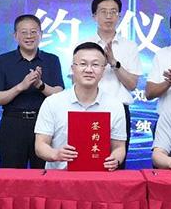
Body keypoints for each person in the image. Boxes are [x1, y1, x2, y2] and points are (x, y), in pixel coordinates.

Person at [34, 42, 126, 170]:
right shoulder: (53, 102)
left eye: (95, 65)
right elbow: (40, 145)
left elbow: (119, 147)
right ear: (73, 68)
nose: (89, 70)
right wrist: (55, 154)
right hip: (59, 177)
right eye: (83, 64)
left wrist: (115, 159)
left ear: (103, 70)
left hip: (99, 177)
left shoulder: (115, 106)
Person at [0, 14, 64, 168]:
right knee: (11, 176)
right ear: (15, 36)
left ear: (41, 35)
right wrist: (21, 87)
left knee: (44, 174)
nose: (29, 36)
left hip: (44, 125)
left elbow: (59, 95)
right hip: (13, 124)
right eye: (24, 32)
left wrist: (40, 85)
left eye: (33, 32)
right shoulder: (3, 60)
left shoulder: (52, 60)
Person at [87, 0, 142, 168]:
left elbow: (132, 84)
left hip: (119, 110)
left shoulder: (129, 46)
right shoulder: (84, 45)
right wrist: (98, 65)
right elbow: (76, 82)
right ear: (94, 16)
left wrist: (113, 63)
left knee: (116, 165)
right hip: (89, 110)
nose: (109, 16)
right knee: (87, 162)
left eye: (113, 12)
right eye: (103, 12)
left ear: (119, 16)